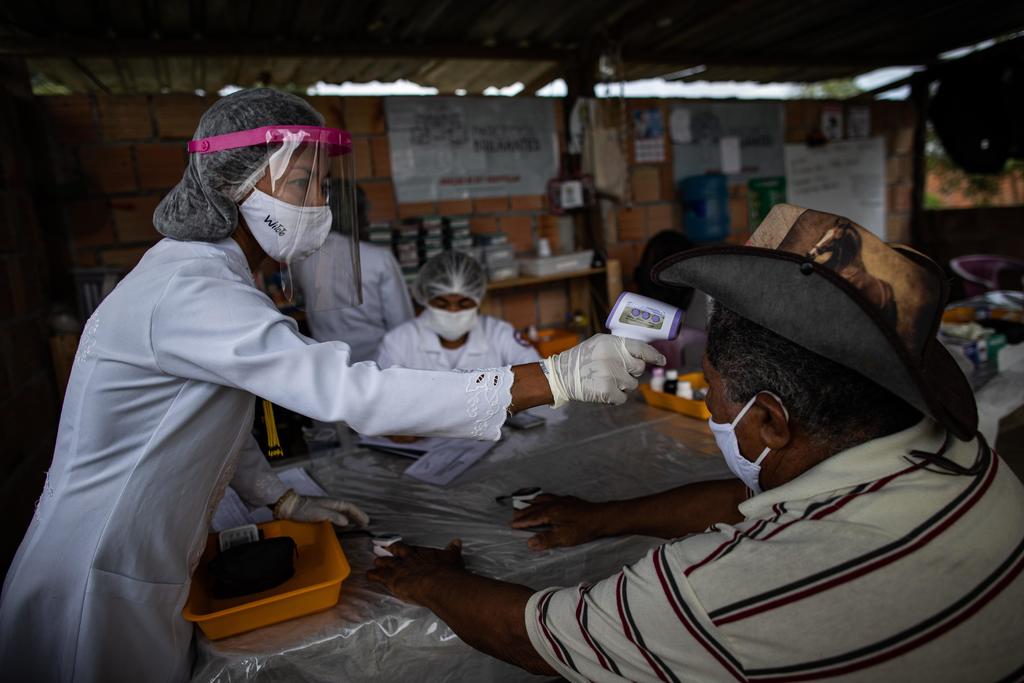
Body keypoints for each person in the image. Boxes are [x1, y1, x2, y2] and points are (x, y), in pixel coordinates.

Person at [0, 88, 664, 682]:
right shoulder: (189, 288)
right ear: (236, 186)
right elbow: (350, 392)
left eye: (323, 183)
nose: (320, 203)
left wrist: (280, 497)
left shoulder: (213, 278)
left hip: (144, 561)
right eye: (301, 183)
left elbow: (208, 419)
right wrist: (554, 376)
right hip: (98, 577)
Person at [366, 205, 1024, 682]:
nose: (710, 405)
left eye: (712, 390)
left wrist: (432, 580)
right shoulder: (967, 460)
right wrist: (604, 518)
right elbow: (750, 503)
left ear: (771, 422)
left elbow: (532, 635)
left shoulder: (722, 590)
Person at [291, 185, 414, 362]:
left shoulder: (302, 258)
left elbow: (300, 295)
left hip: (329, 361)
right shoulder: (379, 258)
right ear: (358, 215)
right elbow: (402, 322)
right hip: (378, 362)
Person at [376, 251, 540, 371]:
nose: (453, 310)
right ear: (426, 299)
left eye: (464, 304)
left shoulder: (500, 334)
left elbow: (538, 376)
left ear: (478, 301)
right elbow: (383, 398)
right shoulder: (398, 342)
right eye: (441, 304)